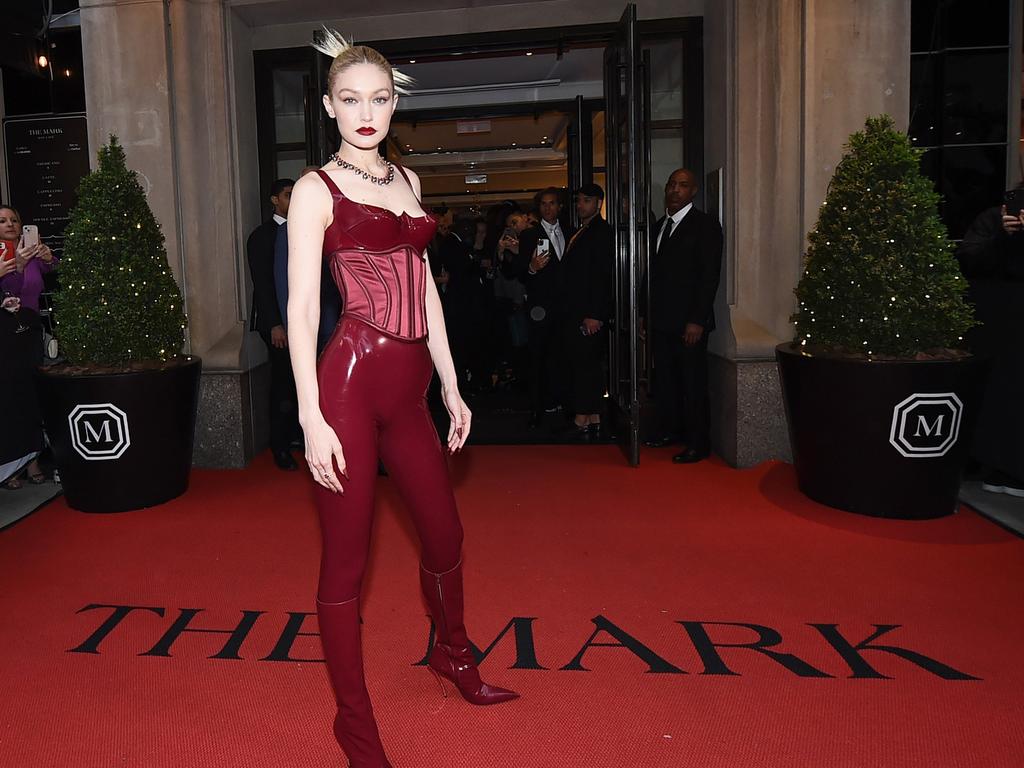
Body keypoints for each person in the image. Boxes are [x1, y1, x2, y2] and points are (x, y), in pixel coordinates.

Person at [286, 30, 518, 768]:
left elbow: (424, 292)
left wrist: (450, 381)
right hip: (347, 384)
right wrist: (308, 414)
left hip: (412, 386)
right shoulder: (314, 189)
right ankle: (354, 726)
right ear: (329, 106)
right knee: (345, 567)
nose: (366, 112)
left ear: (395, 104)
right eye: (349, 99)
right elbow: (298, 309)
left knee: (446, 538)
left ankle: (452, 652)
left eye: (379, 99)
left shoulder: (407, 182)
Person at [643, 168, 723, 464]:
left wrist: (697, 320)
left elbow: (708, 277)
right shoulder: (659, 226)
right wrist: (644, 314)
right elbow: (650, 275)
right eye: (672, 184)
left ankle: (698, 443)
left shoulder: (705, 226)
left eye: (683, 185)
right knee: (666, 381)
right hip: (661, 321)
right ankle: (671, 431)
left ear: (694, 191)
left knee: (692, 384)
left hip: (689, 323)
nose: (675, 190)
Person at [956, 196, 1024, 496]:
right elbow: (969, 260)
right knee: (996, 396)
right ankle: (989, 465)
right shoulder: (993, 218)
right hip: (995, 327)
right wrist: (1002, 238)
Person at [247, 177, 300, 470]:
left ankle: (295, 437)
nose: (294, 200)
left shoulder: (303, 230)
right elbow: (263, 285)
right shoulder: (262, 236)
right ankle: (279, 447)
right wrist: (275, 325)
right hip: (276, 324)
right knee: (282, 383)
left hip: (301, 321)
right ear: (274, 200)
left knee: (299, 382)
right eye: (289, 195)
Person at [0, 205, 54, 489]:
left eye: (14, 219)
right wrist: (17, 266)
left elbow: (53, 270)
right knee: (11, 397)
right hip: (5, 334)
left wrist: (48, 257)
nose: (9, 224)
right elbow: (10, 289)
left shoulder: (30, 250)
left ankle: (32, 459)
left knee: (32, 393)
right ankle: (12, 465)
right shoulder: (4, 255)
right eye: (2, 221)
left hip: (30, 328)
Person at [560, 183, 613, 439]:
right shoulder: (583, 230)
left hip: (589, 312)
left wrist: (595, 314)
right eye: (579, 200)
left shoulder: (602, 232)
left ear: (599, 203)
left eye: (586, 200)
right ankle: (594, 417)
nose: (581, 205)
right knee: (586, 364)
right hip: (578, 310)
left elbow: (603, 277)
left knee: (586, 364)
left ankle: (582, 418)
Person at [515, 188, 572, 427]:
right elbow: (519, 272)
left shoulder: (571, 233)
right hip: (539, 308)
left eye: (552, 204)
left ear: (560, 207)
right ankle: (536, 409)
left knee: (563, 358)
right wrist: (531, 267)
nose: (548, 208)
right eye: (544, 204)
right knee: (537, 359)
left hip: (565, 307)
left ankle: (564, 405)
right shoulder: (530, 235)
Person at [273, 165, 342, 355]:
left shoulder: (340, 223)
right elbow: (282, 282)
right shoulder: (286, 230)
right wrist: (291, 328)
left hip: (342, 318)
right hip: (309, 323)